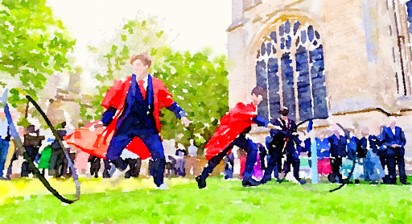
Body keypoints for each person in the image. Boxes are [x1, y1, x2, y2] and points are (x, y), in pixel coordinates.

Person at [67, 53, 191, 189]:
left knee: (159, 154)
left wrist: (182, 115)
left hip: (147, 126)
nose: (135, 68)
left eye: (138, 65)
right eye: (134, 65)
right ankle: (124, 167)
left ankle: (159, 182)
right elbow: (113, 106)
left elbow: (169, 102)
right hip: (126, 125)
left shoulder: (156, 84)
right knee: (111, 155)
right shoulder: (124, 83)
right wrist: (103, 122)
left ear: (146, 66)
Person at [196, 86, 278, 188]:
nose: (260, 100)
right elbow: (255, 118)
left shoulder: (251, 107)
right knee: (217, 157)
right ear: (253, 95)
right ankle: (202, 177)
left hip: (238, 136)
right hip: (229, 135)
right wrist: (271, 125)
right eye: (259, 97)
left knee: (252, 149)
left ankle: (247, 179)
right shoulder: (243, 105)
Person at [261, 107, 306, 185]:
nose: (283, 115)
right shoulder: (275, 122)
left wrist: (299, 142)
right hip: (278, 145)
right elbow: (275, 133)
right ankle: (266, 178)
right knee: (273, 162)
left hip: (289, 145)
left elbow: (294, 134)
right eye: (282, 114)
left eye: (285, 113)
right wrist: (288, 134)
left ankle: (296, 177)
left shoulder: (291, 123)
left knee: (295, 160)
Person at [380, 119, 410, 185]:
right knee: (391, 166)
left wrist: (400, 145)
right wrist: (391, 145)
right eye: (391, 123)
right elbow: (383, 141)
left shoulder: (399, 129)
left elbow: (403, 140)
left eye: (393, 122)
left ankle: (403, 180)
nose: (392, 124)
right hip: (390, 151)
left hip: (399, 150)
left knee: (401, 165)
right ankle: (393, 180)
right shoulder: (385, 131)